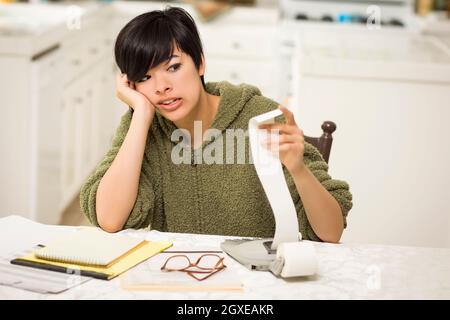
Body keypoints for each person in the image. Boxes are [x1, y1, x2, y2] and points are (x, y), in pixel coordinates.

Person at [80, 7, 352, 243]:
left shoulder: (261, 117)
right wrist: (140, 113)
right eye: (145, 77)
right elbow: (110, 219)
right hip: (182, 279)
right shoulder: (145, 126)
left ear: (199, 63)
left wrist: (298, 168)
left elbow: (331, 232)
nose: (162, 87)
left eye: (173, 67)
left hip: (253, 286)